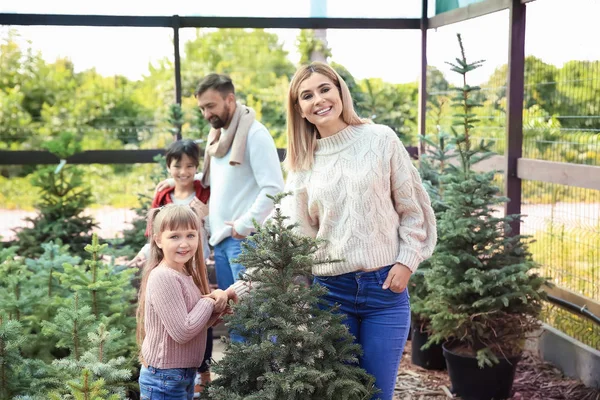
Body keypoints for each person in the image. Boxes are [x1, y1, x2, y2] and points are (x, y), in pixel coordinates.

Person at [281, 61, 437, 400]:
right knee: (341, 394)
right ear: (300, 110)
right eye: (307, 95)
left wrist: (407, 261)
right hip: (330, 295)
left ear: (339, 91)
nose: (319, 99)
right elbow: (296, 236)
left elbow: (414, 210)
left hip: (384, 291)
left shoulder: (380, 139)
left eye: (325, 89)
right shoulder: (302, 164)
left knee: (377, 394)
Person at [156, 74, 284, 342]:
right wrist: (175, 180)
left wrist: (243, 225)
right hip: (223, 242)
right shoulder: (218, 136)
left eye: (211, 106)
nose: (206, 113)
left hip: (245, 241)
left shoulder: (255, 134)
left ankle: (263, 380)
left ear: (230, 99)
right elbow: (216, 180)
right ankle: (241, 381)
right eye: (202, 108)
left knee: (255, 316)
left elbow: (274, 188)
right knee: (235, 315)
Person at [127, 139, 213, 394]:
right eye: (177, 166)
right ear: (169, 167)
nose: (184, 172)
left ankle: (203, 370)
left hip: (194, 265)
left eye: (190, 167)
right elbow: (156, 232)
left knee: (197, 313)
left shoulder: (203, 192)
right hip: (165, 374)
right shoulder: (164, 194)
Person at [136, 204, 237, 400]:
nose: (184, 243)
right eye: (175, 236)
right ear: (158, 240)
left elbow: (190, 321)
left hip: (181, 373)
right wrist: (210, 301)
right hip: (164, 378)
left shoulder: (182, 273)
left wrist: (215, 312)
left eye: (191, 235)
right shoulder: (163, 276)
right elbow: (183, 331)